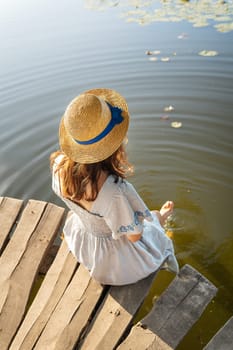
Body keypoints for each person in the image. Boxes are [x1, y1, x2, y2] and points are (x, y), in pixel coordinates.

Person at [50, 88, 179, 285]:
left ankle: (158, 217)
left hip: (85, 239)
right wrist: (134, 217)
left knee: (137, 218)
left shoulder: (58, 164)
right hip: (114, 262)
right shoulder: (113, 191)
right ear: (114, 145)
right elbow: (134, 236)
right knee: (151, 226)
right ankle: (159, 218)